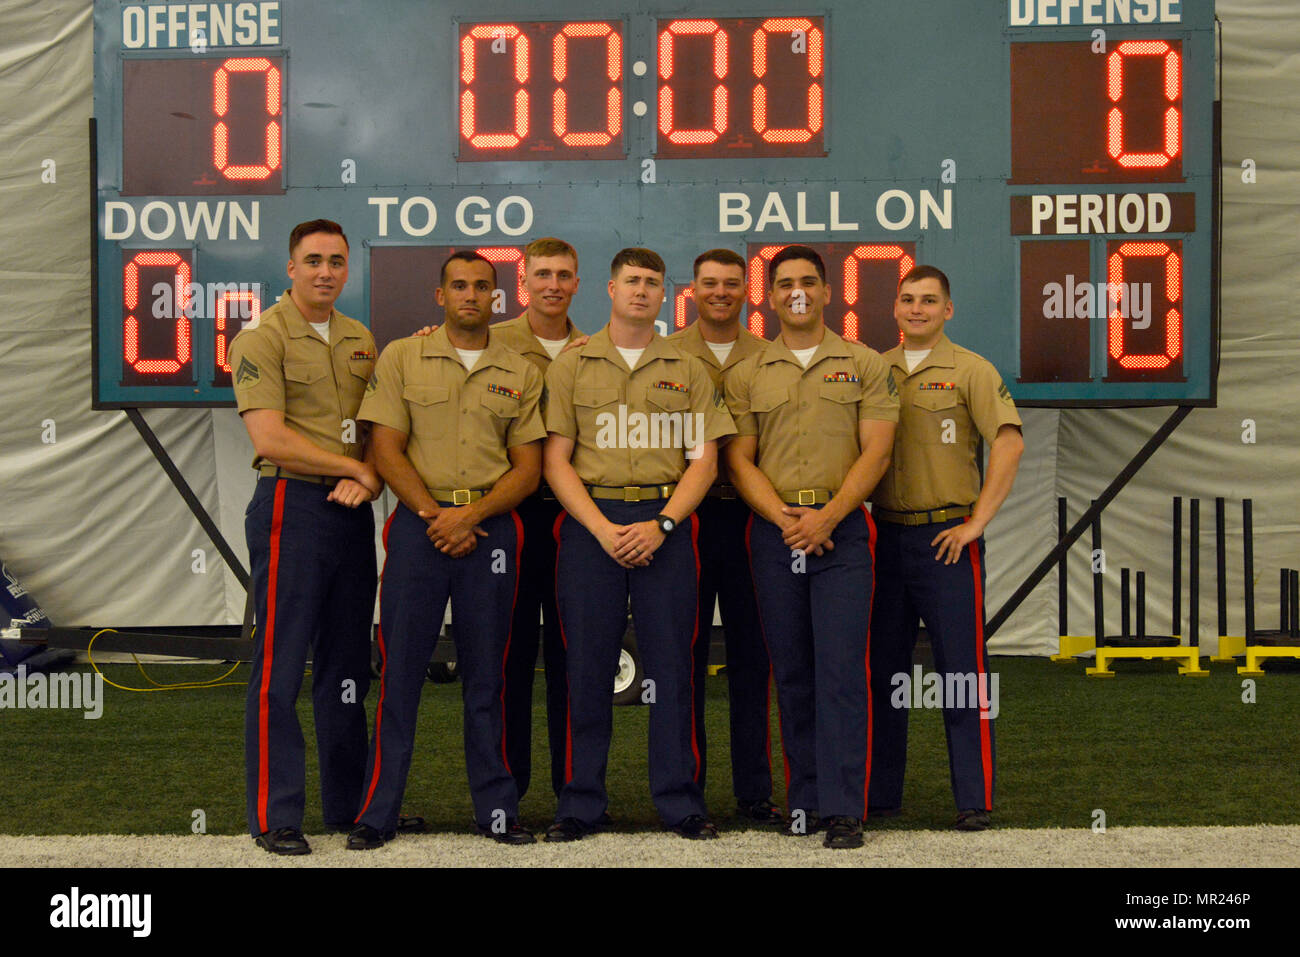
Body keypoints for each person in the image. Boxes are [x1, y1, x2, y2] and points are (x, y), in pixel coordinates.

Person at [348, 250, 545, 847]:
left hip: (491, 529)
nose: (469, 295)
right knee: (401, 673)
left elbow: (529, 468)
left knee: (490, 677)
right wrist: (437, 515)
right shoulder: (404, 356)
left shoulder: (521, 369)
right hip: (420, 526)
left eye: (481, 287)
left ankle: (496, 812)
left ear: (497, 297)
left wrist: (473, 514)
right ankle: (377, 814)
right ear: (440, 295)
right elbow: (385, 448)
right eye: (458, 285)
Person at [541, 247, 734, 841]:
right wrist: (600, 529)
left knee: (674, 668)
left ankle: (681, 803)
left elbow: (705, 460)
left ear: (662, 293)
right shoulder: (573, 364)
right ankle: (579, 805)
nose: (642, 291)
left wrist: (664, 525)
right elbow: (555, 460)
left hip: (666, 523)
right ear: (610, 287)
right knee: (585, 668)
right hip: (589, 523)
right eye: (632, 281)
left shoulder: (688, 366)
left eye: (653, 282)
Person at [723, 244, 897, 850]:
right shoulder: (747, 374)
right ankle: (807, 803)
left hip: (842, 531)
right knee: (792, 671)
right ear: (770, 298)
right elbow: (738, 460)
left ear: (826, 292)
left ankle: (846, 809)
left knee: (842, 671)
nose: (797, 292)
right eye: (785, 284)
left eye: (808, 282)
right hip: (775, 535)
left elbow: (877, 450)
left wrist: (827, 517)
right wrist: (784, 518)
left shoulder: (866, 364)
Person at [230, 219, 381, 856]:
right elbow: (269, 438)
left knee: (348, 667)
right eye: (313, 259)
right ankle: (276, 815)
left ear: (348, 270)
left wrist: (366, 473)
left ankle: (349, 807)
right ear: (290, 266)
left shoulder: (361, 339)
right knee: (281, 663)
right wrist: (353, 468)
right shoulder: (260, 337)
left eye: (336, 261)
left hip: (351, 512)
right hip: (291, 502)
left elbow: (379, 424)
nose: (325, 270)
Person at [867, 265, 1024, 832]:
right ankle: (880, 795)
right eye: (908, 299)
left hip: (946, 541)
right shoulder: (872, 369)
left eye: (929, 301)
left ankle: (973, 799)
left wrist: (977, 522)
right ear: (895, 308)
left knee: (962, 673)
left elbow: (1008, 442)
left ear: (948, 310)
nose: (917, 309)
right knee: (882, 672)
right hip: (883, 538)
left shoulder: (972, 371)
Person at [667, 249, 780, 825]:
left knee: (752, 656)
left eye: (731, 284)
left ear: (746, 291)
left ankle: (754, 793)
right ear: (693, 289)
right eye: (709, 283)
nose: (720, 292)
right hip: (685, 518)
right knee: (682, 657)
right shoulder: (665, 355)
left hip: (751, 519)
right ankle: (689, 795)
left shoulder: (768, 356)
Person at [490, 238, 583, 802]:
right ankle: (509, 794)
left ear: (577, 283)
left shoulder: (598, 350)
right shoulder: (489, 342)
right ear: (525, 280)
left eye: (564, 275)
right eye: (543, 273)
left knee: (574, 657)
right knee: (510, 656)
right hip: (512, 515)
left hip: (576, 518)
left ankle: (573, 793)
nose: (553, 284)